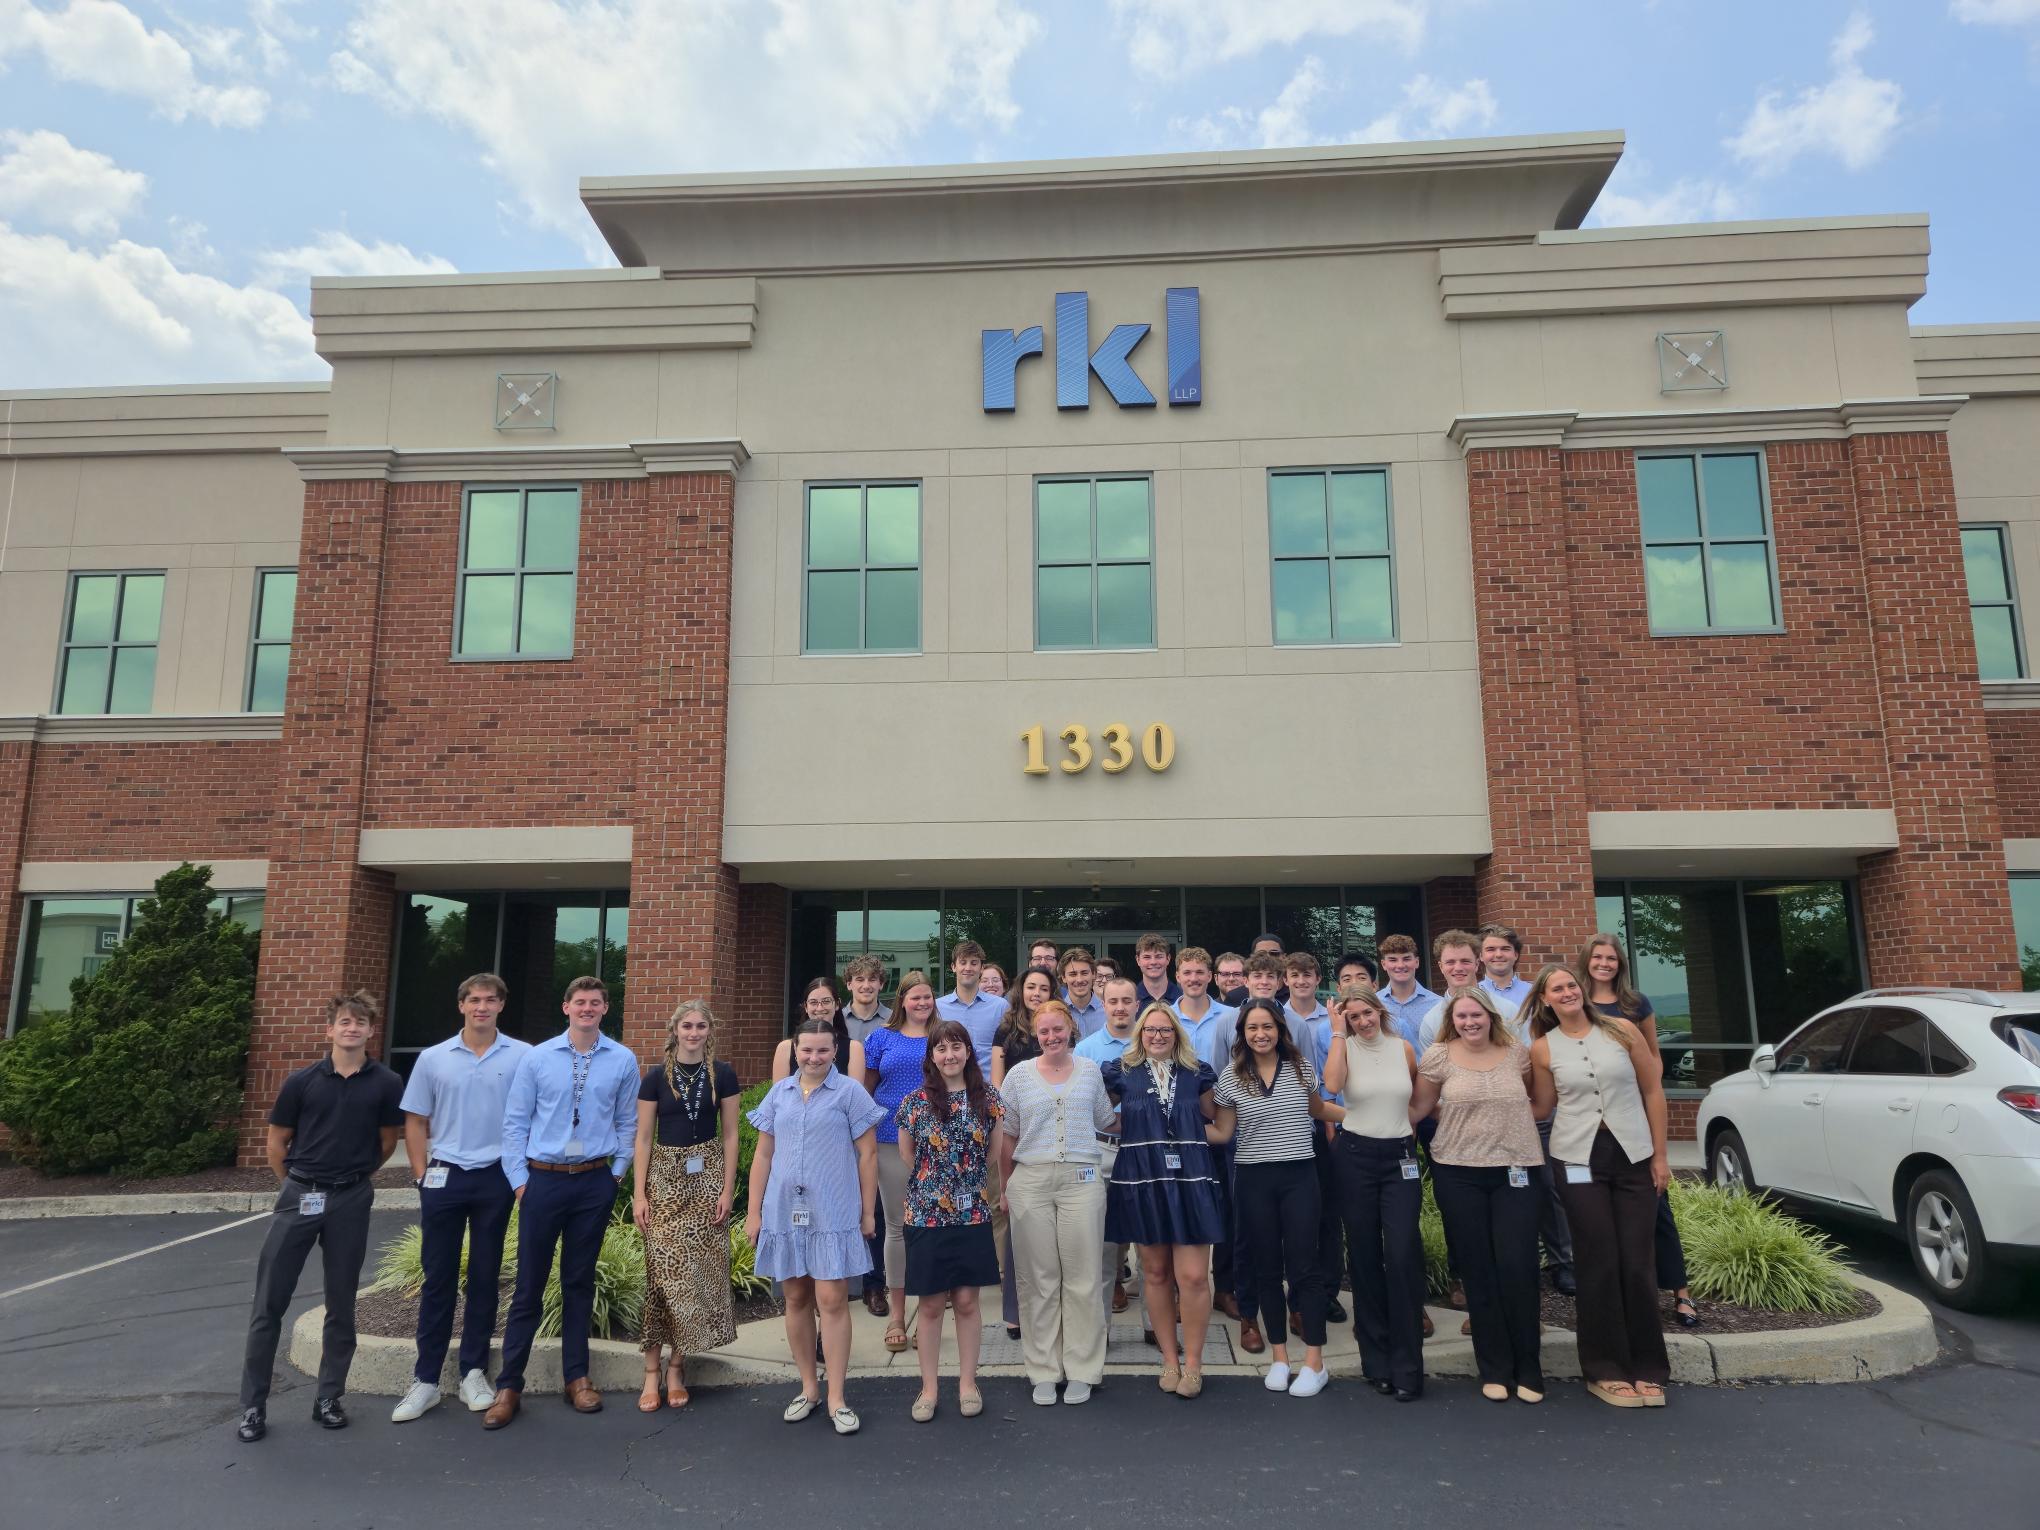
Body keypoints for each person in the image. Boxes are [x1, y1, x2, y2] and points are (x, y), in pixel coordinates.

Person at [236, 992, 404, 1443]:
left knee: (342, 1300)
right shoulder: (301, 1082)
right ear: (329, 1030)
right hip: (300, 1195)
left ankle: (329, 1397)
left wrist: (352, 1179)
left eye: (360, 1023)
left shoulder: (387, 1083)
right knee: (269, 1303)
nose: (352, 1029)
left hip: (351, 1198)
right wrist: (296, 1184)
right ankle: (253, 1405)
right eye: (344, 1022)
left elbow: (387, 1142)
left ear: (371, 1031)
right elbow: (277, 1144)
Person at [486, 976, 640, 1430]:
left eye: (595, 1002)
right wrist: (519, 1182)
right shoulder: (538, 1058)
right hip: (543, 1182)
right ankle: (509, 1384)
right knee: (529, 1285)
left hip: (593, 1181)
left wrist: (616, 1174)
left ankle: (578, 1377)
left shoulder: (623, 1059)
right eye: (580, 1002)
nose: (587, 1009)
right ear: (566, 1007)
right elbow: (515, 1123)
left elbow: (628, 1121)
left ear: (605, 1008)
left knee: (579, 1282)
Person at [1527, 964, 1673, 1409]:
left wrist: (1661, 1157)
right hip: (1576, 1159)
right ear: (1546, 1000)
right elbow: (1542, 1107)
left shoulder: (1623, 1030)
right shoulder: (1542, 1048)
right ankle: (1604, 1368)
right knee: (1599, 1259)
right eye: (1558, 989)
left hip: (1633, 1155)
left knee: (1636, 1260)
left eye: (1572, 985)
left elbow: (1653, 1091)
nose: (1568, 992)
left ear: (1582, 990)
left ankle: (1648, 1366)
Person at [393, 973, 529, 1423]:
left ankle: (473, 1371)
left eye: (490, 1000)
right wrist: (420, 1175)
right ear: (461, 1006)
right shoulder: (434, 1059)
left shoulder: (522, 1056)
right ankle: (426, 1379)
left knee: (486, 1277)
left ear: (501, 1006)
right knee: (438, 1278)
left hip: (495, 1176)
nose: (482, 1007)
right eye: (474, 1000)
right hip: (445, 1175)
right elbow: (415, 1121)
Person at [745, 1018, 885, 1435]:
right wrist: (754, 1212)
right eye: (807, 1050)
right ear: (796, 1050)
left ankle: (838, 1395)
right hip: (784, 1209)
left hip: (834, 1209)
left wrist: (867, 1212)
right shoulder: (779, 1093)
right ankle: (808, 1388)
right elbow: (764, 1156)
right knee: (795, 1296)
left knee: (832, 1298)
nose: (814, 1057)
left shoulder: (850, 1093)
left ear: (835, 1049)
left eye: (823, 1050)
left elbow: (868, 1156)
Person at [1409, 985, 1546, 1405]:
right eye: (1462, 1016)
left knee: (1518, 1265)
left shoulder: (1518, 1054)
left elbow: (1536, 1104)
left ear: (1490, 1017)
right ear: (1453, 1020)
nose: (1470, 1022)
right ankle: (1494, 1367)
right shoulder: (1438, 1056)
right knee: (1478, 1270)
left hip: (1516, 1170)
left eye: (1477, 1015)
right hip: (1458, 1172)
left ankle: (1529, 1367)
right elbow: (1420, 1108)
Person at [1209, 998, 1340, 1398]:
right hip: (1252, 1179)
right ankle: (1280, 1358)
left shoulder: (1301, 1069)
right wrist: (1176, 1131)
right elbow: (1222, 1132)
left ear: (1280, 1030)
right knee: (1265, 1267)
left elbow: (1320, 1110)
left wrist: (1368, 1117)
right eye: (1252, 1028)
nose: (1260, 1034)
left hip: (1300, 1176)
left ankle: (1314, 1362)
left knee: (1305, 1268)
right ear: (1243, 1034)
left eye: (1267, 1026)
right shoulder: (1230, 1077)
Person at [1101, 1004, 1224, 1398]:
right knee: (1153, 1273)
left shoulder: (1196, 1072)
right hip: (1142, 1178)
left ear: (1176, 1034)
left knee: (1191, 1277)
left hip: (1190, 1177)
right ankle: (1169, 1359)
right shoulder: (1120, 1071)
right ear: (1140, 1033)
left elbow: (1215, 1120)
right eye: (1150, 1030)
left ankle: (1194, 1364)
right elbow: (1101, 1117)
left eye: (1165, 1030)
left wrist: (1193, 1139)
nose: (1157, 1036)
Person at [998, 1002, 1118, 1405]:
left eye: (1058, 1030)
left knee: (1084, 1277)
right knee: (1039, 1279)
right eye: (1044, 1032)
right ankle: (1044, 1370)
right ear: (1036, 1034)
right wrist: (1006, 1186)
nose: (1051, 1037)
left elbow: (1106, 1120)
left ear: (1071, 1029)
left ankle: (1084, 1368)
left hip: (1082, 1179)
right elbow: (1008, 1135)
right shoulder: (1017, 1076)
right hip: (1030, 1179)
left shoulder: (1089, 1071)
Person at [1581, 932, 1697, 1329]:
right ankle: (1623, 1293)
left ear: (1620, 963)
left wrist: (1649, 1100)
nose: (1604, 964)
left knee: (1656, 1204)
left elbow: (1653, 1057)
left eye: (1611, 958)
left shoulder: (1635, 1004)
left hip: (1635, 1115)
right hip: (1593, 1125)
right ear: (1587, 961)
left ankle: (1681, 1291)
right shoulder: (1576, 1001)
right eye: (1598, 957)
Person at [631, 999, 741, 1411]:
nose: (694, 1033)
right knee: (661, 1276)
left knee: (695, 1276)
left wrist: (728, 1189)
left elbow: (731, 1135)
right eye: (687, 1026)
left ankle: (677, 1366)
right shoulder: (655, 1077)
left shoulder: (723, 1075)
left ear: (710, 1031)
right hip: (665, 1178)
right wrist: (639, 1194)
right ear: (674, 1030)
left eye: (701, 1026)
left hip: (707, 1175)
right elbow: (643, 1137)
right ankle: (651, 1373)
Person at [1321, 980, 1425, 1401]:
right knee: (1363, 1255)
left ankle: (1408, 1366)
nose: (1363, 1021)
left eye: (1367, 1013)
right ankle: (1376, 1361)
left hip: (1399, 1158)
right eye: (1354, 1016)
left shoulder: (1403, 1049)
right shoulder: (1343, 1047)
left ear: (1380, 1012)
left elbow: (1414, 1102)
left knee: (1402, 1255)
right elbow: (1331, 1085)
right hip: (1355, 1157)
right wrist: (1336, 1032)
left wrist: (1404, 1138)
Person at [895, 1020, 1002, 1422]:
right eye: (941, 1049)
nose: (949, 1055)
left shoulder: (987, 1098)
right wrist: (937, 1184)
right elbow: (908, 1155)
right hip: (925, 1215)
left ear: (968, 1052)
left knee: (967, 1302)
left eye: (956, 1047)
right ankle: (929, 1388)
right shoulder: (915, 1102)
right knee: (931, 1306)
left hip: (972, 1211)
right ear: (932, 1056)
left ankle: (967, 1383)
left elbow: (992, 1153)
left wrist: (961, 1182)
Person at [861, 970, 934, 1345]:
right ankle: (897, 1316)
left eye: (927, 997)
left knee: (932, 1228)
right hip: (889, 1139)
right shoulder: (881, 1038)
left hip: (937, 1144)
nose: (922, 1003)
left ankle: (928, 1316)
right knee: (897, 1227)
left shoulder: (944, 1036)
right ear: (902, 1000)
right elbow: (865, 1092)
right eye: (915, 997)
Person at [1286, 952, 1349, 1330]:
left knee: (1328, 1216)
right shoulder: (1278, 1020)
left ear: (1317, 978)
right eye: (1294, 975)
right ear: (1285, 980)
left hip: (1328, 1128)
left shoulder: (1333, 1020)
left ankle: (1328, 1292)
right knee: (1297, 1222)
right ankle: (1298, 1295)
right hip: (1293, 1132)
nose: (1301, 980)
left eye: (1308, 974)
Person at [1076, 973, 1141, 1314]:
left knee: (1147, 1238)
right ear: (1104, 1006)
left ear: (1137, 1005)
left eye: (1126, 1001)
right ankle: (1099, 1325)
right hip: (1102, 1149)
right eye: (1113, 1001)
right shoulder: (1086, 1050)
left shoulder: (1151, 1043)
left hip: (1144, 1150)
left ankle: (1152, 1326)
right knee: (1102, 1240)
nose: (1120, 1008)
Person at [773, 977, 868, 1083]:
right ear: (805, 1006)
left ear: (837, 1004)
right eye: (813, 1002)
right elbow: (779, 1096)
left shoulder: (854, 1049)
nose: (819, 1008)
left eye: (826, 1001)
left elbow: (854, 1096)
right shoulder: (785, 1048)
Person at [937, 939, 1006, 1071]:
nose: (968, 968)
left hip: (988, 1088)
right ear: (953, 967)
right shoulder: (937, 1008)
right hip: (947, 1089)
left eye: (974, 963)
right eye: (963, 962)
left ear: (982, 968)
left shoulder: (1000, 1007)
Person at [1373, 933, 1438, 1044]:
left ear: (1416, 962)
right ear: (1383, 964)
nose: (1400, 965)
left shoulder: (1437, 1005)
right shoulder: (1373, 1003)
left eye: (1406, 959)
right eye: (1393, 960)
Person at [841, 954, 892, 1044]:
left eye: (872, 980)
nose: (866, 986)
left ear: (881, 984)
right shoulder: (837, 1019)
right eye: (860, 980)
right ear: (849, 984)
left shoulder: (894, 1019)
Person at [1059, 946, 1105, 1038]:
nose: (1079, 980)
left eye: (1084, 973)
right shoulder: (1057, 1013)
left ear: (1094, 974)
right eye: (1073, 974)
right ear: (1063, 977)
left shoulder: (1108, 1012)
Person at [1132, 931, 1183, 1008]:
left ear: (1168, 959)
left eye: (1159, 956)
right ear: (1138, 960)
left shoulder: (1182, 999)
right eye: (1147, 957)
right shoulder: (1130, 1000)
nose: (1153, 962)